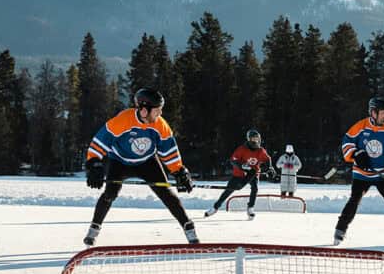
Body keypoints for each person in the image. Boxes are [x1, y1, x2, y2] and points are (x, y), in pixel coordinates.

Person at [83, 88, 196, 246]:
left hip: (147, 161)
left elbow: (169, 151)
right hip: (119, 161)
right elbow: (100, 143)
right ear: (143, 110)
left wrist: (179, 171)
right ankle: (94, 229)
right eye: (157, 111)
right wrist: (94, 165)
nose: (160, 114)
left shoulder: (160, 125)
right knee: (110, 193)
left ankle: (189, 228)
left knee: (166, 193)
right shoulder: (123, 120)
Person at [334, 97, 384, 245]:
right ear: (373, 113)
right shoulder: (360, 126)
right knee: (354, 200)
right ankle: (339, 231)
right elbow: (347, 142)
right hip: (362, 174)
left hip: (383, 174)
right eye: (382, 113)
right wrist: (356, 154)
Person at [204, 129, 274, 220]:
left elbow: (267, 159)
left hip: (252, 173)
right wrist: (242, 166)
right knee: (229, 190)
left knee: (255, 188)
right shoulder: (242, 149)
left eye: (257, 139)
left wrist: (270, 168)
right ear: (249, 139)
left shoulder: (260, 150)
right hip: (239, 174)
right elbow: (233, 160)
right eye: (253, 139)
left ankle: (250, 208)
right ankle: (215, 207)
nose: (255, 141)